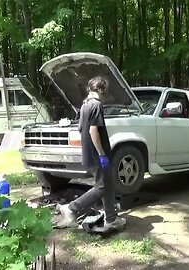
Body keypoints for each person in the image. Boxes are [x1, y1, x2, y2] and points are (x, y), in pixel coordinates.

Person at [54, 76, 126, 230]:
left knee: (108, 185)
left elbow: (81, 129)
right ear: (100, 89)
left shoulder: (85, 105)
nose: (106, 94)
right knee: (101, 187)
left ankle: (111, 218)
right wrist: (101, 154)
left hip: (89, 152)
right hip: (98, 154)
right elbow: (93, 130)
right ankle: (71, 208)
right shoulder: (96, 105)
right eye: (105, 91)